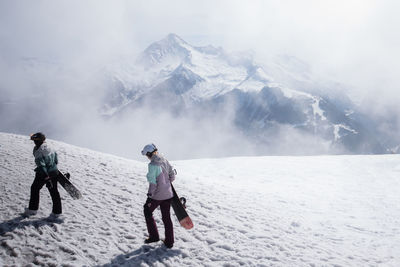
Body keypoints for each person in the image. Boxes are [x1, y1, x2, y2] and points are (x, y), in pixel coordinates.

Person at [141, 143, 176, 248]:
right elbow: (172, 176)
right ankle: (169, 242)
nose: (147, 157)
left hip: (157, 196)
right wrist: (166, 184)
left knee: (147, 210)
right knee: (166, 218)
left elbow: (153, 183)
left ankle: (154, 236)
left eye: (147, 155)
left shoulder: (152, 165)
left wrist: (149, 196)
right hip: (168, 194)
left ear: (149, 154)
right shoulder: (164, 160)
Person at [23, 132, 62, 218]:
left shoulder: (38, 151)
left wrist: (46, 177)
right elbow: (56, 159)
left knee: (35, 188)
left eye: (35, 141)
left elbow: (41, 165)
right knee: (54, 191)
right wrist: (53, 168)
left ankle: (32, 210)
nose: (34, 142)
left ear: (39, 141)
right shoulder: (50, 147)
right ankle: (57, 212)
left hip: (43, 173)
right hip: (54, 171)